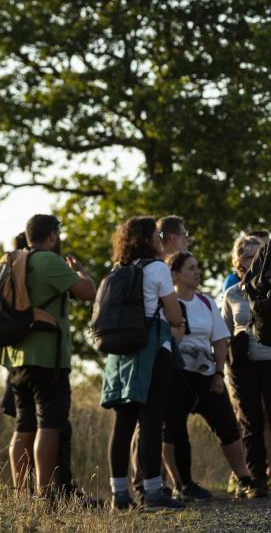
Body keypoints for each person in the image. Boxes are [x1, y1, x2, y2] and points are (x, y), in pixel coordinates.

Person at [0, 215, 96, 498]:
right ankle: (44, 497)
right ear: (52, 235)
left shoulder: (11, 262)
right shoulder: (49, 261)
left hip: (15, 358)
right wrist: (80, 272)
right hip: (48, 360)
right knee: (49, 427)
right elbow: (88, 292)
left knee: (23, 427)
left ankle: (21, 496)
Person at [161, 251, 267, 501]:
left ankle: (243, 479)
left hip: (207, 376)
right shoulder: (165, 303)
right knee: (172, 432)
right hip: (177, 375)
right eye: (190, 269)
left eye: (197, 267)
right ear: (174, 274)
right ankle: (180, 485)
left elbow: (220, 340)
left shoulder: (206, 303)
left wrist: (219, 373)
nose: (197, 272)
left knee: (228, 428)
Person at [101, 216, 186, 512]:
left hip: (120, 352)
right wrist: (178, 322)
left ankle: (119, 496)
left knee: (122, 424)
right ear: (149, 239)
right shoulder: (158, 268)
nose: (160, 239)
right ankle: (152, 493)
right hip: (151, 348)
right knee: (150, 421)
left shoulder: (118, 270)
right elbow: (174, 316)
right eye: (157, 234)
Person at [222, 234, 271, 492]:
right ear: (241, 262)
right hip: (242, 366)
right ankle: (256, 478)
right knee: (250, 420)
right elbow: (223, 332)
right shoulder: (231, 293)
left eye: (263, 254)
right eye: (253, 255)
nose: (260, 259)